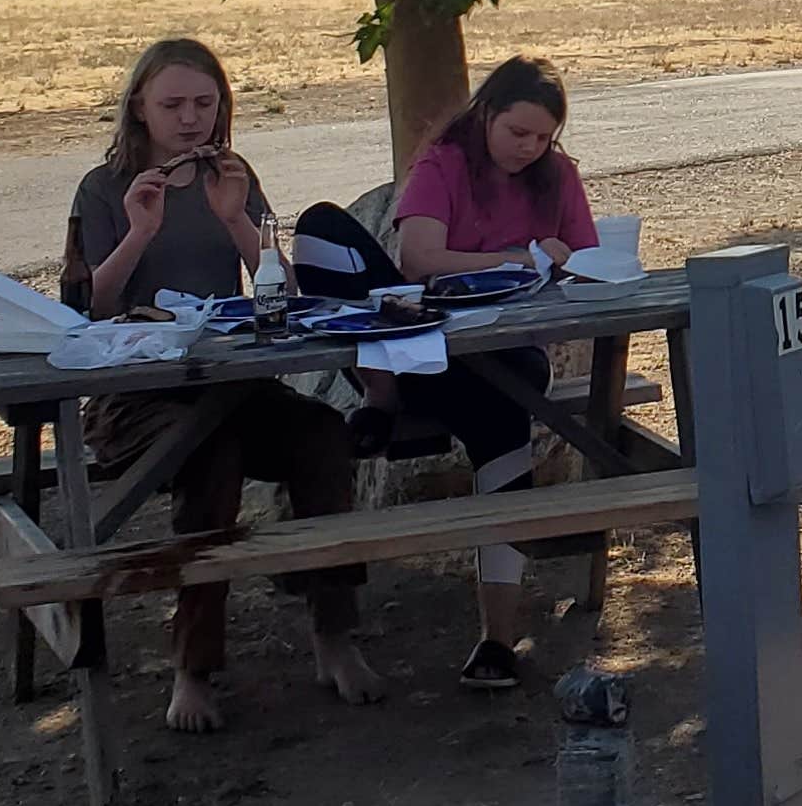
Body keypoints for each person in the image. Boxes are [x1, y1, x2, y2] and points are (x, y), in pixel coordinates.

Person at [63, 37, 383, 730]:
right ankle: (193, 667)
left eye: (204, 104)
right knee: (211, 459)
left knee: (325, 436)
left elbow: (284, 294)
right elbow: (86, 310)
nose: (189, 119)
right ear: (140, 110)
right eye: (172, 104)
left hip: (233, 381)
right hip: (137, 396)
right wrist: (140, 231)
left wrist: (237, 218)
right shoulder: (104, 188)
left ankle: (334, 636)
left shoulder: (233, 175)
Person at [389, 54, 599, 690]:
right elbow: (418, 258)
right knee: (505, 431)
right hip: (437, 354)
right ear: (485, 114)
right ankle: (496, 637)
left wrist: (565, 256)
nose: (529, 149)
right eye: (517, 134)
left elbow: (592, 258)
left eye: (543, 138)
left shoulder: (555, 174)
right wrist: (515, 259)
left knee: (507, 432)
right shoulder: (443, 163)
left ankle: (497, 640)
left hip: (517, 355)